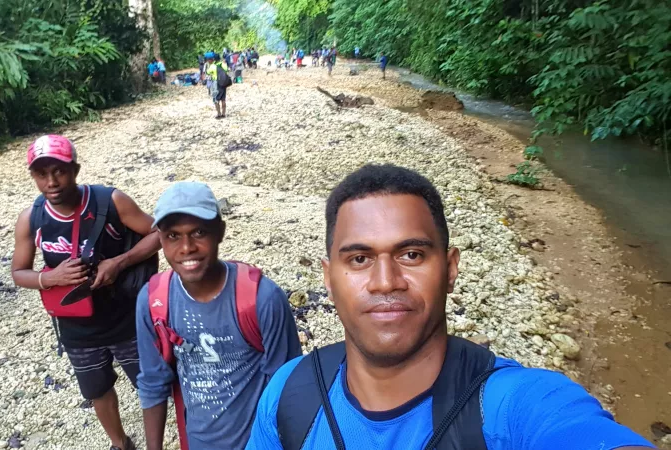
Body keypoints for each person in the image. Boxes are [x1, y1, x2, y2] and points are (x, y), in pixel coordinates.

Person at [246, 164, 653, 450]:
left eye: (411, 255)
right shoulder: (290, 392)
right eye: (359, 259)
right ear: (328, 278)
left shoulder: (511, 406)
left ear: (451, 268)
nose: (386, 281)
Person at [11, 135, 161, 450]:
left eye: (59, 171)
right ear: (33, 177)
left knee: (151, 385)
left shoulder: (109, 201)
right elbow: (18, 273)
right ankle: (121, 445)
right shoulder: (31, 219)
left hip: (126, 317)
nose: (51, 181)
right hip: (75, 324)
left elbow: (159, 232)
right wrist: (50, 277)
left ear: (75, 170)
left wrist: (119, 263)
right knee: (97, 390)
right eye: (41, 173)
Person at [137, 181, 302, 450]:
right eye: (173, 236)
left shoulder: (262, 299)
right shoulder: (153, 300)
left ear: (220, 232)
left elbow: (288, 387)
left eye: (199, 232)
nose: (186, 247)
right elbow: (153, 383)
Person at [205, 53, 229, 119]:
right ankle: (224, 114)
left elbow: (207, 72)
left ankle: (219, 114)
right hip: (223, 83)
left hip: (216, 83)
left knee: (216, 99)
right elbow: (227, 71)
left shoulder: (212, 66)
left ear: (213, 59)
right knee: (223, 99)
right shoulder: (224, 64)